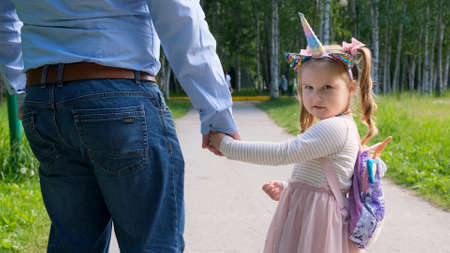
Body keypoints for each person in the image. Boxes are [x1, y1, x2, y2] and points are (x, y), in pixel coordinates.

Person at [0, 0, 240, 252]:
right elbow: (179, 13)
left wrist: (22, 86)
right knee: (152, 244)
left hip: (45, 101)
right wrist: (216, 113)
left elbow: (4, 16)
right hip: (120, 95)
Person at [210, 13, 390, 253]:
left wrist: (227, 147)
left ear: (351, 88)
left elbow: (283, 153)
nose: (316, 96)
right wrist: (288, 187)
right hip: (312, 215)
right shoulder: (340, 125)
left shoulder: (334, 128)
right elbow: (331, 178)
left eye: (327, 87)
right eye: (309, 87)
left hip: (316, 223)